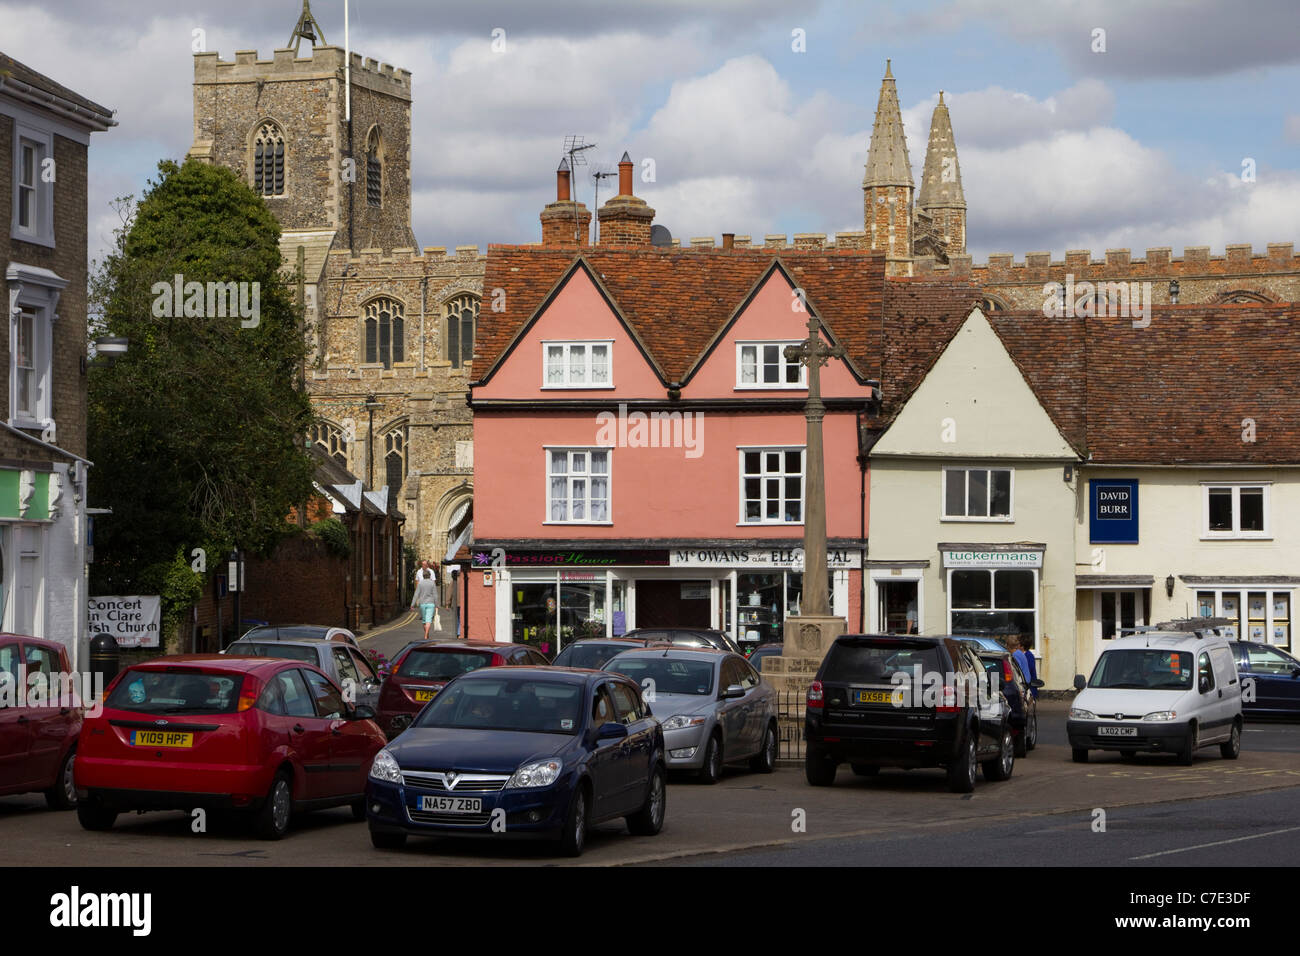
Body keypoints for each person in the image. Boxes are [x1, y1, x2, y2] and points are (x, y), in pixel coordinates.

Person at [1005, 634, 1039, 700]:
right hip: (1026, 683)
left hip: (1021, 685)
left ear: (1008, 645)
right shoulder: (1019, 653)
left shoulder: (1015, 655)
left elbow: (1015, 672)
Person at [410, 567, 439, 640]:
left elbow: (416, 594)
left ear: (423, 576)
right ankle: (427, 634)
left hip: (422, 604)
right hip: (431, 604)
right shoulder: (432, 583)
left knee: (424, 620)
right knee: (429, 620)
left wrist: (412, 604)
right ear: (429, 576)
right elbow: (435, 594)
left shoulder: (420, 583)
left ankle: (426, 634)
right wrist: (437, 604)